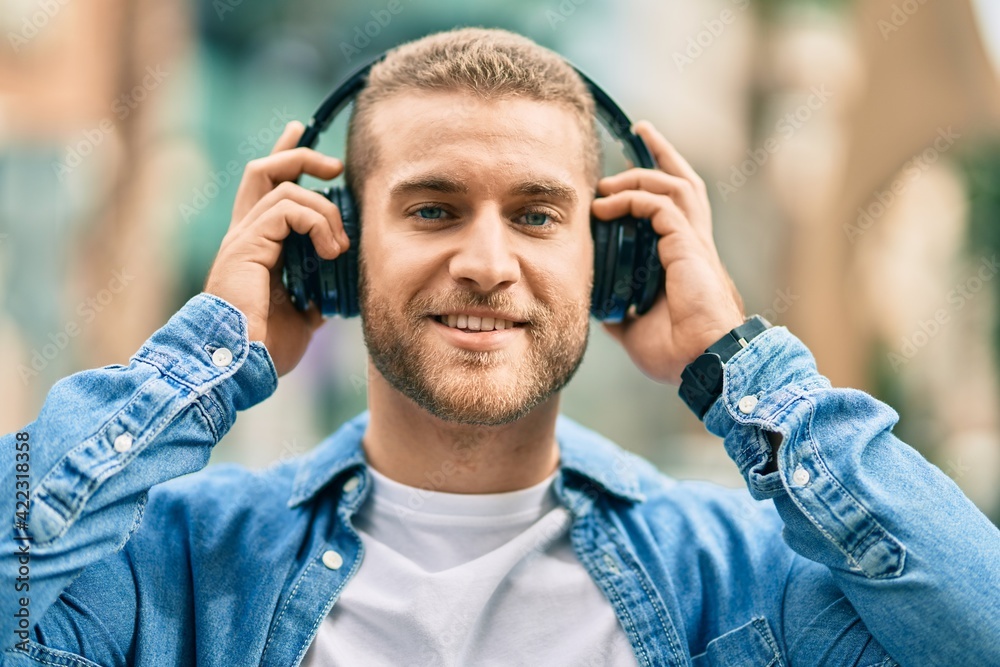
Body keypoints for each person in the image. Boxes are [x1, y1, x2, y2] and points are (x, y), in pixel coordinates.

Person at [2, 27, 998, 667]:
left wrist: (739, 366)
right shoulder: (173, 565)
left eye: (536, 215)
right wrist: (206, 358)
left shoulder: (741, 574)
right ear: (332, 250)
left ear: (614, 261)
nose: (486, 262)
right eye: (433, 209)